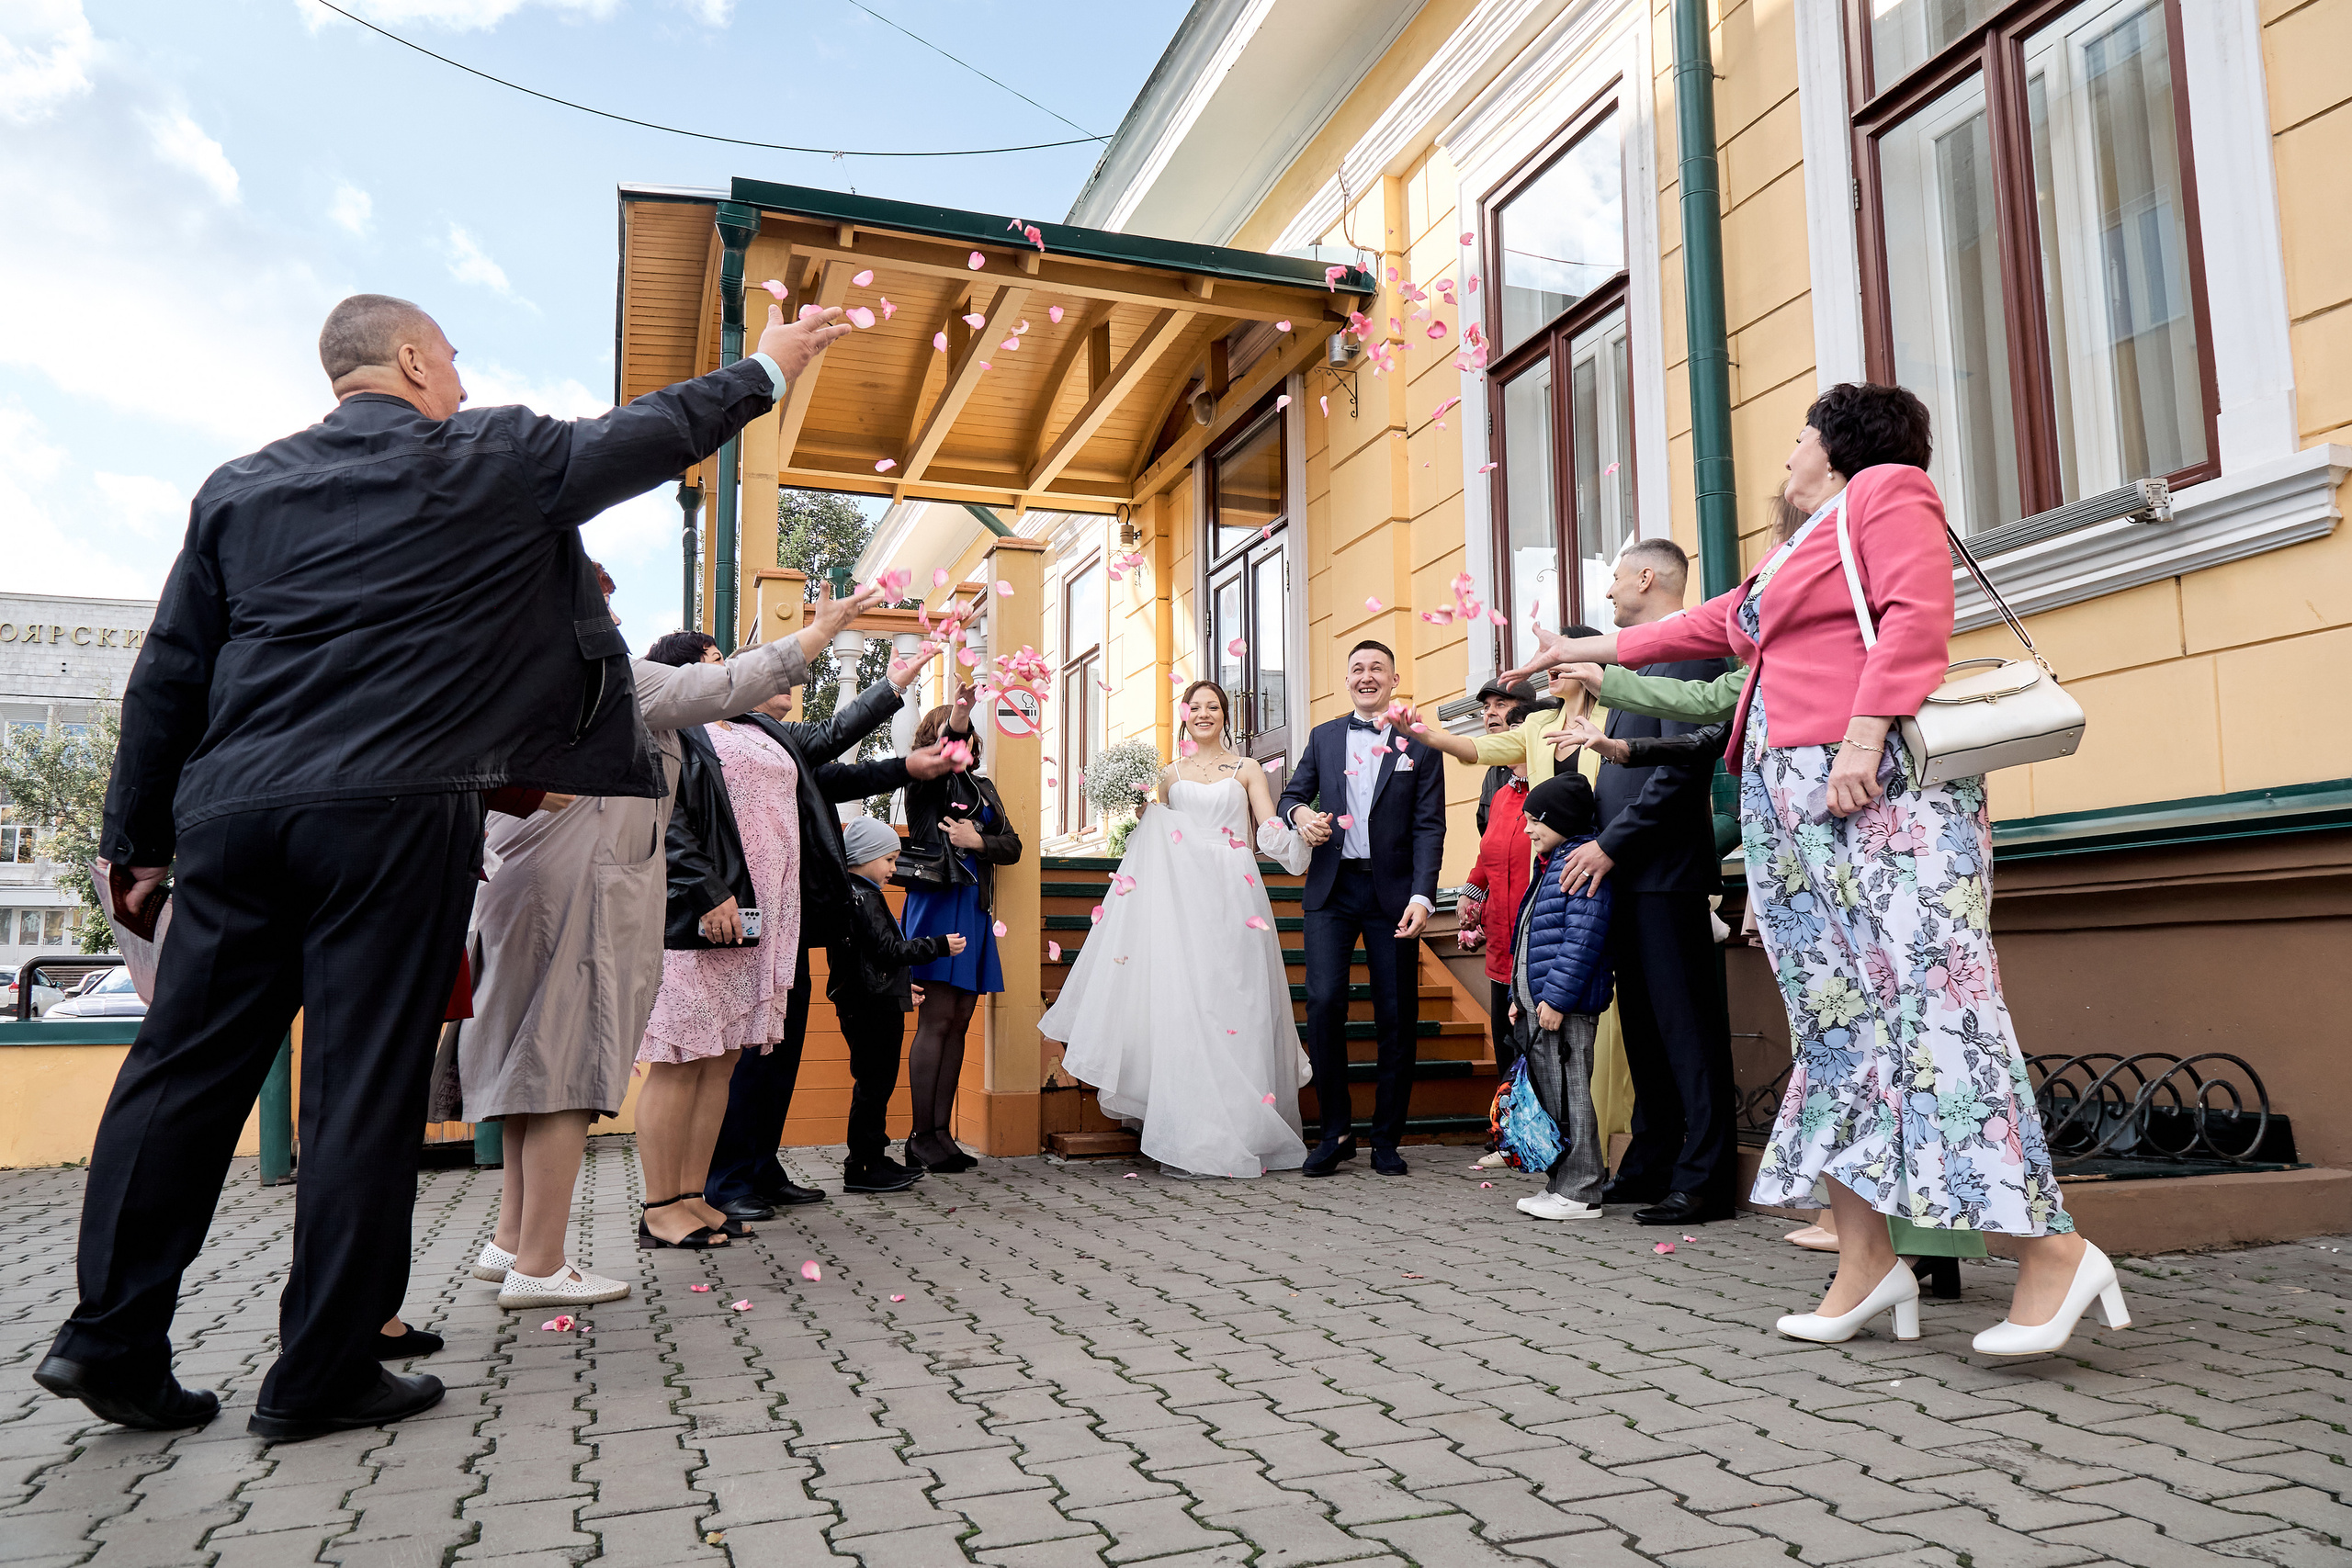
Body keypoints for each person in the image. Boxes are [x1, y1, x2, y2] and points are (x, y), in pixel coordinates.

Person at [37, 291, 852, 1440]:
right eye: (454, 361)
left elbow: (170, 671)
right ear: (414, 360)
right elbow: (641, 436)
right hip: (393, 811)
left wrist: (135, 840)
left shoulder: (237, 488)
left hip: (233, 815)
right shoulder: (489, 456)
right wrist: (761, 371)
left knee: (178, 1077)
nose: (462, 382)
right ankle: (320, 1371)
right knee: (361, 1085)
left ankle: (108, 1339)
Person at [1504, 382, 2126, 1353]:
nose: (1785, 453)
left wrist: (1859, 740)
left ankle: (2050, 1252)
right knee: (1837, 1025)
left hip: (1869, 790)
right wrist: (1587, 646)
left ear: (1835, 446)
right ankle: (1866, 1261)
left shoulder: (1888, 491)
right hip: (1792, 804)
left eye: (1797, 434)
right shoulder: (1801, 546)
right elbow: (1712, 628)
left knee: (1933, 1011)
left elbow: (1917, 616)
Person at [455, 575, 876, 1298]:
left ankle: (511, 1239)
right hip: (571, 890)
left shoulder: (523, 670)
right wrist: (820, 630)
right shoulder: (603, 674)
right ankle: (540, 1265)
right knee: (562, 1073)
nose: (614, 617)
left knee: (532, 1069)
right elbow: (725, 689)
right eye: (603, 604)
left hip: (526, 884)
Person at [701, 650, 959, 1215]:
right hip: (743, 914)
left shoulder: (774, 738)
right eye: (767, 670)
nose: (789, 680)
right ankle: (726, 1181)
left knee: (781, 1049)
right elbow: (834, 735)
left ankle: (761, 1167)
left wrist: (906, 768)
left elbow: (846, 775)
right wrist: (893, 684)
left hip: (791, 916)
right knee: (750, 1052)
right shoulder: (711, 739)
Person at [1040, 681, 1315, 1178]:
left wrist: (1296, 838)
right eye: (1196, 707)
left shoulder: (1247, 769)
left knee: (1239, 998)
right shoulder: (1166, 775)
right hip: (1182, 899)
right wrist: (1141, 807)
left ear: (1226, 716)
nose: (1204, 714)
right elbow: (1156, 835)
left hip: (1235, 892)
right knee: (1190, 999)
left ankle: (1247, 1124)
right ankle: (1192, 1126)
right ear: (1185, 716)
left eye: (1214, 706)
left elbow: (1266, 825)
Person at [1547, 539, 1735, 1229]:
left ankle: (1704, 1178)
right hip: (1624, 872)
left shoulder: (1689, 653)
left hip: (1663, 873)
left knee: (1687, 1030)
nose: (1609, 593)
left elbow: (1679, 769)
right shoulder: (1637, 655)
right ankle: (1654, 1158)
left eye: (1618, 578)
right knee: (1648, 1034)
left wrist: (1611, 844)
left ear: (1648, 578)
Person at [1276, 641, 1447, 1177]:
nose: (1366, 676)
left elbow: (1429, 825)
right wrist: (1302, 814)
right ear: (1346, 680)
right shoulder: (1324, 737)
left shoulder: (1420, 742)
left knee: (1396, 1014)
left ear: (1395, 679)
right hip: (1332, 890)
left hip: (1394, 896)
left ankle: (1386, 1139)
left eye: (1377, 669)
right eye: (1357, 669)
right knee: (1324, 1003)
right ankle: (1335, 1133)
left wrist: (1424, 895)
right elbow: (1288, 797)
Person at [899, 688, 1024, 1172]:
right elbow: (946, 747)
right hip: (935, 906)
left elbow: (1012, 846)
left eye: (968, 738)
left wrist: (979, 840)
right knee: (937, 1018)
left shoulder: (984, 788)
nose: (962, 744)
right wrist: (959, 715)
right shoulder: (924, 786)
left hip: (973, 909)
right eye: (953, 738)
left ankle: (941, 1134)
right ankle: (919, 1136)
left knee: (960, 1021)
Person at [1507, 771, 1615, 1221]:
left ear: (1562, 819)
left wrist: (1556, 1000)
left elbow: (1582, 940)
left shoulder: (1579, 865)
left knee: (1572, 1096)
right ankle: (1561, 1184)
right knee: (1553, 1096)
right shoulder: (1552, 864)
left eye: (1537, 820)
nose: (1528, 828)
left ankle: (1582, 1189)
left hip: (1562, 1009)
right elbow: (1531, 938)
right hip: (1541, 1004)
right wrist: (1520, 994)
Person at [831, 815, 966, 1179]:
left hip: (871, 1002)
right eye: (889, 859)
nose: (895, 867)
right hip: (871, 1009)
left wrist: (897, 986)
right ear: (864, 856)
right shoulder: (863, 898)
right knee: (874, 1085)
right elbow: (889, 949)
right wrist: (937, 946)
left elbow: (867, 959)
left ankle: (870, 1157)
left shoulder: (860, 896)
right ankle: (864, 1164)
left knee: (875, 1084)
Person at [1456, 710, 1532, 1156]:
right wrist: (1470, 894)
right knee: (1505, 1046)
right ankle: (1508, 1135)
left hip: (1534, 945)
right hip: (1499, 948)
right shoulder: (1504, 794)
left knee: (1532, 1046)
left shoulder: (1547, 793)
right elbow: (1488, 858)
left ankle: (1536, 1137)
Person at [1472, 678, 1544, 835]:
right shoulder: (1493, 772)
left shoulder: (1544, 758)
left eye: (1500, 704)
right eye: (1486, 707)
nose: (1489, 712)